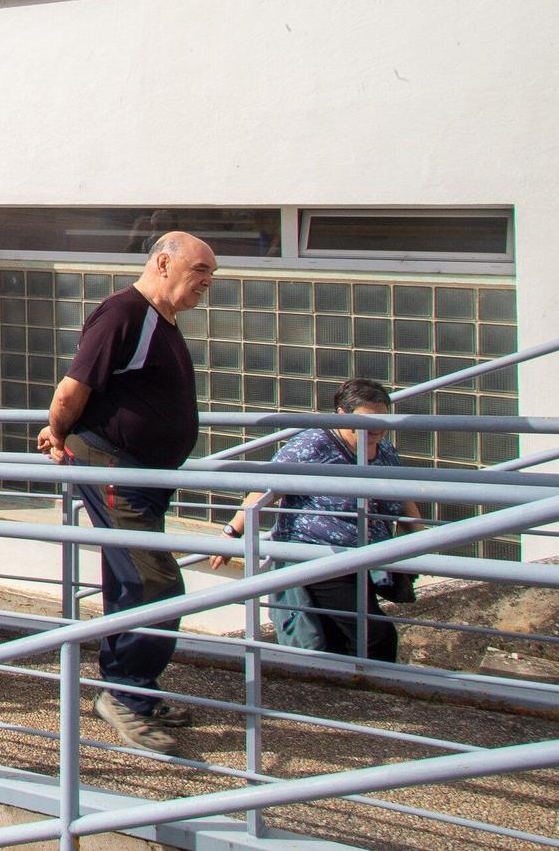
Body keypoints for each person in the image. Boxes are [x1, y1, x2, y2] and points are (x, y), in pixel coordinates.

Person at [36, 231, 217, 754]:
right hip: (115, 466)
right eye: (200, 269)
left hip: (144, 475)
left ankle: (129, 686)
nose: (207, 282)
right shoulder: (124, 314)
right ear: (164, 263)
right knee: (155, 583)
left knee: (128, 579)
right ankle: (126, 694)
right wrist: (58, 431)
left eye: (211, 273)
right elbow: (74, 387)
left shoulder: (161, 319)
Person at [209, 379, 424, 662]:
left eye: (383, 418)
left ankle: (341, 695)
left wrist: (420, 537)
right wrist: (231, 534)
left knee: (339, 636)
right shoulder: (314, 445)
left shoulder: (383, 449)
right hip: (319, 556)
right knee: (374, 635)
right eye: (368, 420)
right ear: (341, 414)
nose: (377, 428)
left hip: (366, 558)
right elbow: (265, 490)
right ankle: (372, 697)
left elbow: (401, 495)